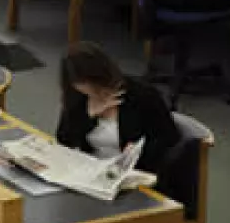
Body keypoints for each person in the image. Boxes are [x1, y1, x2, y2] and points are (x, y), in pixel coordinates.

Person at [56, 42, 179, 174]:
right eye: (85, 89)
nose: (94, 93)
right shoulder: (78, 97)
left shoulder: (142, 95)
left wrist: (140, 151)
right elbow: (64, 140)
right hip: (94, 169)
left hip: (134, 172)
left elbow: (168, 137)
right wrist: (88, 115)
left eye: (97, 86)